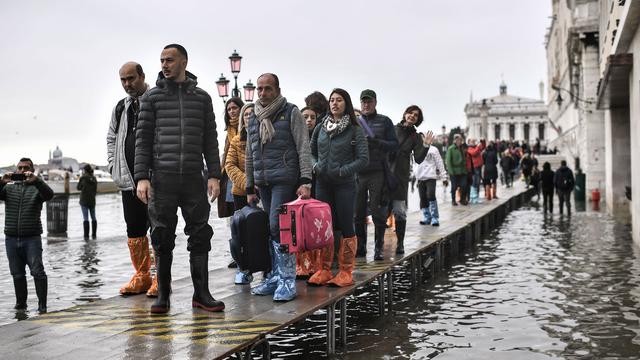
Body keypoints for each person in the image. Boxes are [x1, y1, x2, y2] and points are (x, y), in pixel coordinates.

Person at [135, 44, 224, 314]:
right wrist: (142, 177)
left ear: (184, 61)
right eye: (161, 60)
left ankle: (202, 294)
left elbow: (211, 139)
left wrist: (214, 175)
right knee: (161, 236)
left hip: (194, 179)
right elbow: (143, 140)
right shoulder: (151, 99)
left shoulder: (202, 98)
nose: (164, 64)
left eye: (170, 60)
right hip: (162, 178)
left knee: (200, 233)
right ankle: (163, 296)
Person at [245, 73, 312, 301]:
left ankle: (286, 280)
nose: (263, 93)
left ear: (277, 90)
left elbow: (303, 146)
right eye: (259, 89)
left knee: (278, 226)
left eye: (267, 89)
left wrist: (305, 180)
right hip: (263, 180)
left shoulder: (291, 112)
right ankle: (274, 276)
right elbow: (250, 152)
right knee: (269, 228)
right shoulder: (253, 116)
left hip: (284, 177)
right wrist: (249, 185)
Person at [307, 88, 368, 286]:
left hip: (345, 185)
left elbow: (363, 159)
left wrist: (344, 170)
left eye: (339, 100)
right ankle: (324, 269)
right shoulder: (320, 128)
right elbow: (310, 151)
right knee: (325, 227)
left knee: (346, 225)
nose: (334, 103)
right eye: (332, 100)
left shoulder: (355, 129)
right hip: (323, 183)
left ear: (346, 104)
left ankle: (345, 272)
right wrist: (315, 165)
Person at [107, 61, 157, 297]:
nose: (127, 84)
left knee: (159, 228)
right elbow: (111, 137)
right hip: (128, 180)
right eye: (123, 80)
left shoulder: (155, 99)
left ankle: (160, 277)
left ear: (142, 76)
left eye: (131, 79)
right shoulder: (120, 108)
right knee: (134, 229)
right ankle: (142, 275)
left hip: (154, 179)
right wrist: (112, 166)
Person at [1, 158, 54, 313]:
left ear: (32, 170)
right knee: (17, 274)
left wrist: (36, 181)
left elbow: (49, 195)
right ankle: (21, 306)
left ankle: (42, 306)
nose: (23, 171)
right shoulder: (8, 189)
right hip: (11, 238)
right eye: (20, 168)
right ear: (16, 170)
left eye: (26, 168)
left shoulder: (37, 189)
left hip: (32, 238)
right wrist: (2, 182)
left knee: (37, 272)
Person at [354, 89, 399, 261]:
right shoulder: (355, 122)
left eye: (369, 101)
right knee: (357, 213)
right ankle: (361, 247)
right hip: (358, 171)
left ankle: (379, 247)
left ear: (375, 103)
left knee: (376, 210)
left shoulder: (385, 121)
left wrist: (377, 143)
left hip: (377, 171)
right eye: (363, 101)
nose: (366, 104)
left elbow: (395, 145)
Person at [389, 105, 433, 254]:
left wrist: (426, 144)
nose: (412, 116)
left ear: (418, 120)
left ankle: (400, 243)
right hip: (385, 174)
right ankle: (378, 247)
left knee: (400, 211)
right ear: (405, 114)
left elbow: (419, 158)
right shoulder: (392, 128)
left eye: (416, 115)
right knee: (380, 211)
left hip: (401, 177)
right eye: (410, 113)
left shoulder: (415, 136)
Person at [225, 102, 254, 284]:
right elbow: (229, 165)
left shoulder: (267, 137)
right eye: (246, 115)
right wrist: (248, 183)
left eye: (252, 114)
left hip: (262, 191)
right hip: (240, 192)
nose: (249, 117)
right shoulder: (236, 140)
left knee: (263, 230)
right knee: (240, 231)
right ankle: (244, 268)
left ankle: (266, 266)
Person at [296, 106, 321, 279]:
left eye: (312, 117)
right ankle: (301, 264)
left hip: (318, 183)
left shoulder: (319, 137)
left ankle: (317, 264)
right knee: (299, 225)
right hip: (299, 184)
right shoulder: (295, 137)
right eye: (305, 117)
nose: (309, 120)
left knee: (316, 225)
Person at [220, 97, 244, 269]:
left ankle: (250, 252)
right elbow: (224, 155)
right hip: (229, 177)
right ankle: (237, 254)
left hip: (245, 176)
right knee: (233, 218)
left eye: (235, 108)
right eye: (229, 109)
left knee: (247, 214)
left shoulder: (246, 128)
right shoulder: (228, 132)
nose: (232, 111)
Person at [414, 145, 448, 226]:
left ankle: (434, 217)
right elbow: (414, 163)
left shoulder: (433, 149)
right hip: (420, 178)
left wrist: (444, 177)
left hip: (430, 177)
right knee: (422, 197)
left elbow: (439, 162)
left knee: (431, 195)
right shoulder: (415, 149)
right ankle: (427, 217)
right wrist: (415, 175)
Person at [445, 134, 467, 206]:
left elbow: (464, 158)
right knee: (454, 187)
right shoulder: (451, 148)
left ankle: (462, 199)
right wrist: (451, 172)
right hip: (454, 171)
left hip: (462, 170)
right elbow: (448, 161)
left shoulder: (462, 148)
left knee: (463, 186)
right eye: (457, 139)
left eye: (460, 140)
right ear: (454, 140)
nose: (459, 141)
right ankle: (453, 200)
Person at [77, 164, 97, 239]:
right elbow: (95, 190)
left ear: (84, 170)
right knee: (93, 217)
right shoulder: (94, 178)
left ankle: (86, 236)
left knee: (86, 218)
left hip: (84, 201)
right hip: (92, 200)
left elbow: (78, 188)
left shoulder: (83, 178)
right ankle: (94, 235)